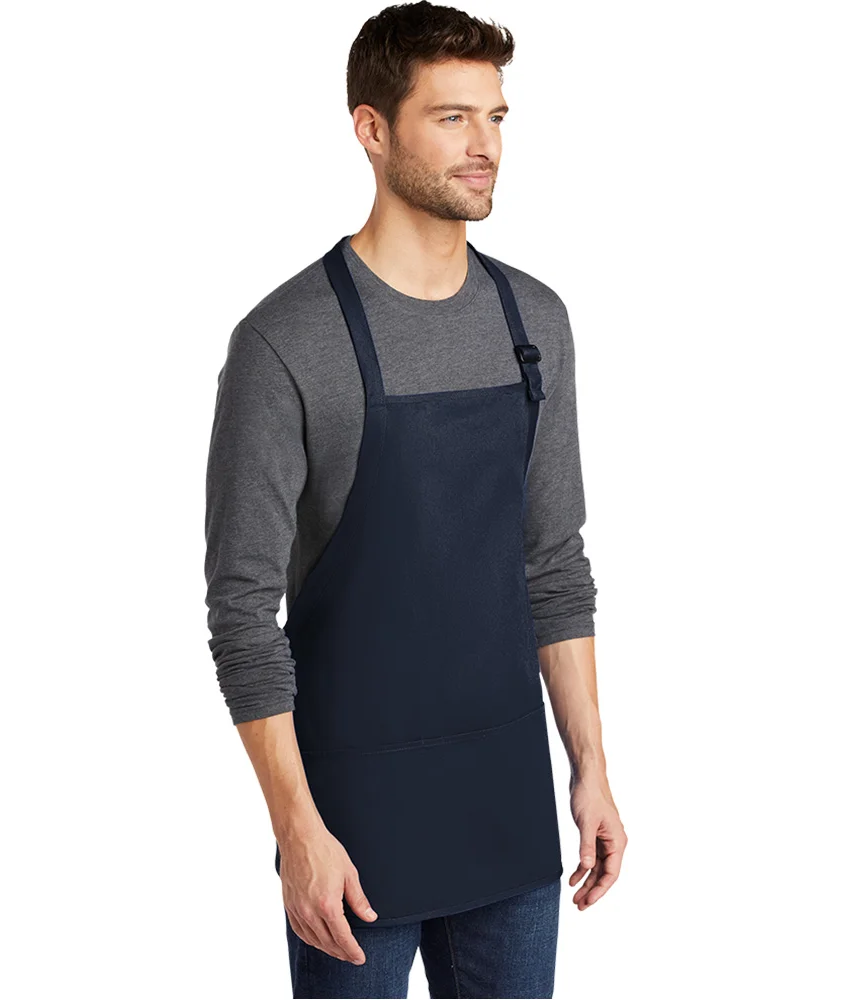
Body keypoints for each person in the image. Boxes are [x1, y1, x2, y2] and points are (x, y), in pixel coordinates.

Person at [203, 2, 627, 996]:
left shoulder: (534, 321)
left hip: (508, 807)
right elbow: (242, 613)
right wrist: (297, 831)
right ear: (372, 129)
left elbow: (553, 564)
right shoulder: (285, 342)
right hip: (352, 825)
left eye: (496, 116)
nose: (485, 146)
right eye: (451, 117)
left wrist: (591, 768)